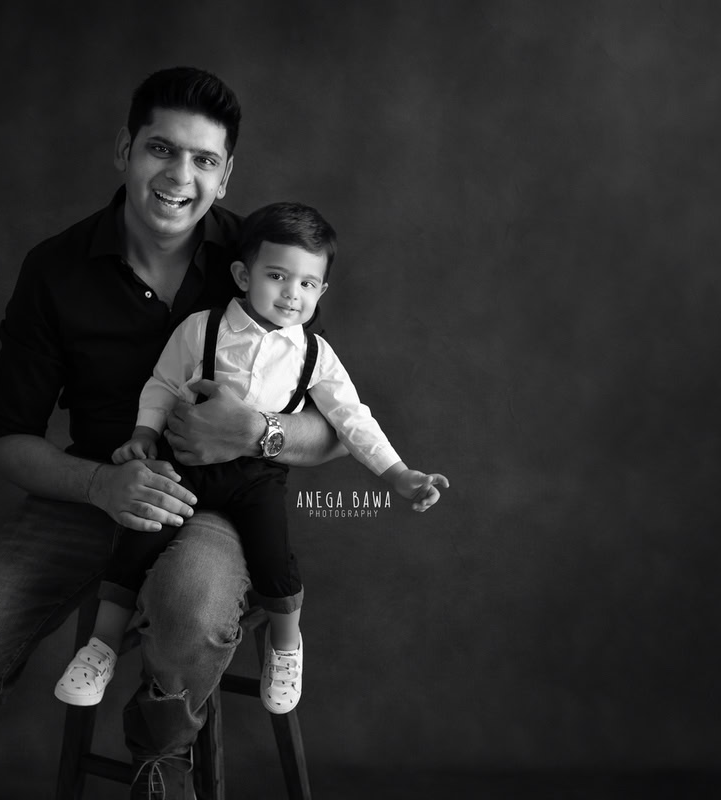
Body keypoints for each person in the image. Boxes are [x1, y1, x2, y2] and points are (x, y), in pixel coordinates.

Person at [0, 67, 343, 800]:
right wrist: (101, 485)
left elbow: (330, 430)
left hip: (219, 502)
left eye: (204, 160)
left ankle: (161, 761)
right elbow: (6, 436)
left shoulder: (263, 259)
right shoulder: (54, 269)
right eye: (160, 150)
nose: (180, 176)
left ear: (226, 173)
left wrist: (260, 432)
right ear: (125, 151)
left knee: (194, 608)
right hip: (88, 492)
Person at [53, 202, 449, 716]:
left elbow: (351, 418)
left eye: (308, 284)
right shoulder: (202, 328)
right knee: (139, 535)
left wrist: (398, 474)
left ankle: (288, 646)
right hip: (186, 463)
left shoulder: (314, 354)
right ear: (243, 274)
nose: (292, 293)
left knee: (272, 554)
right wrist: (144, 433)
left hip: (254, 477)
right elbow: (163, 383)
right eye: (278, 276)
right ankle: (100, 647)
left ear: (322, 291)